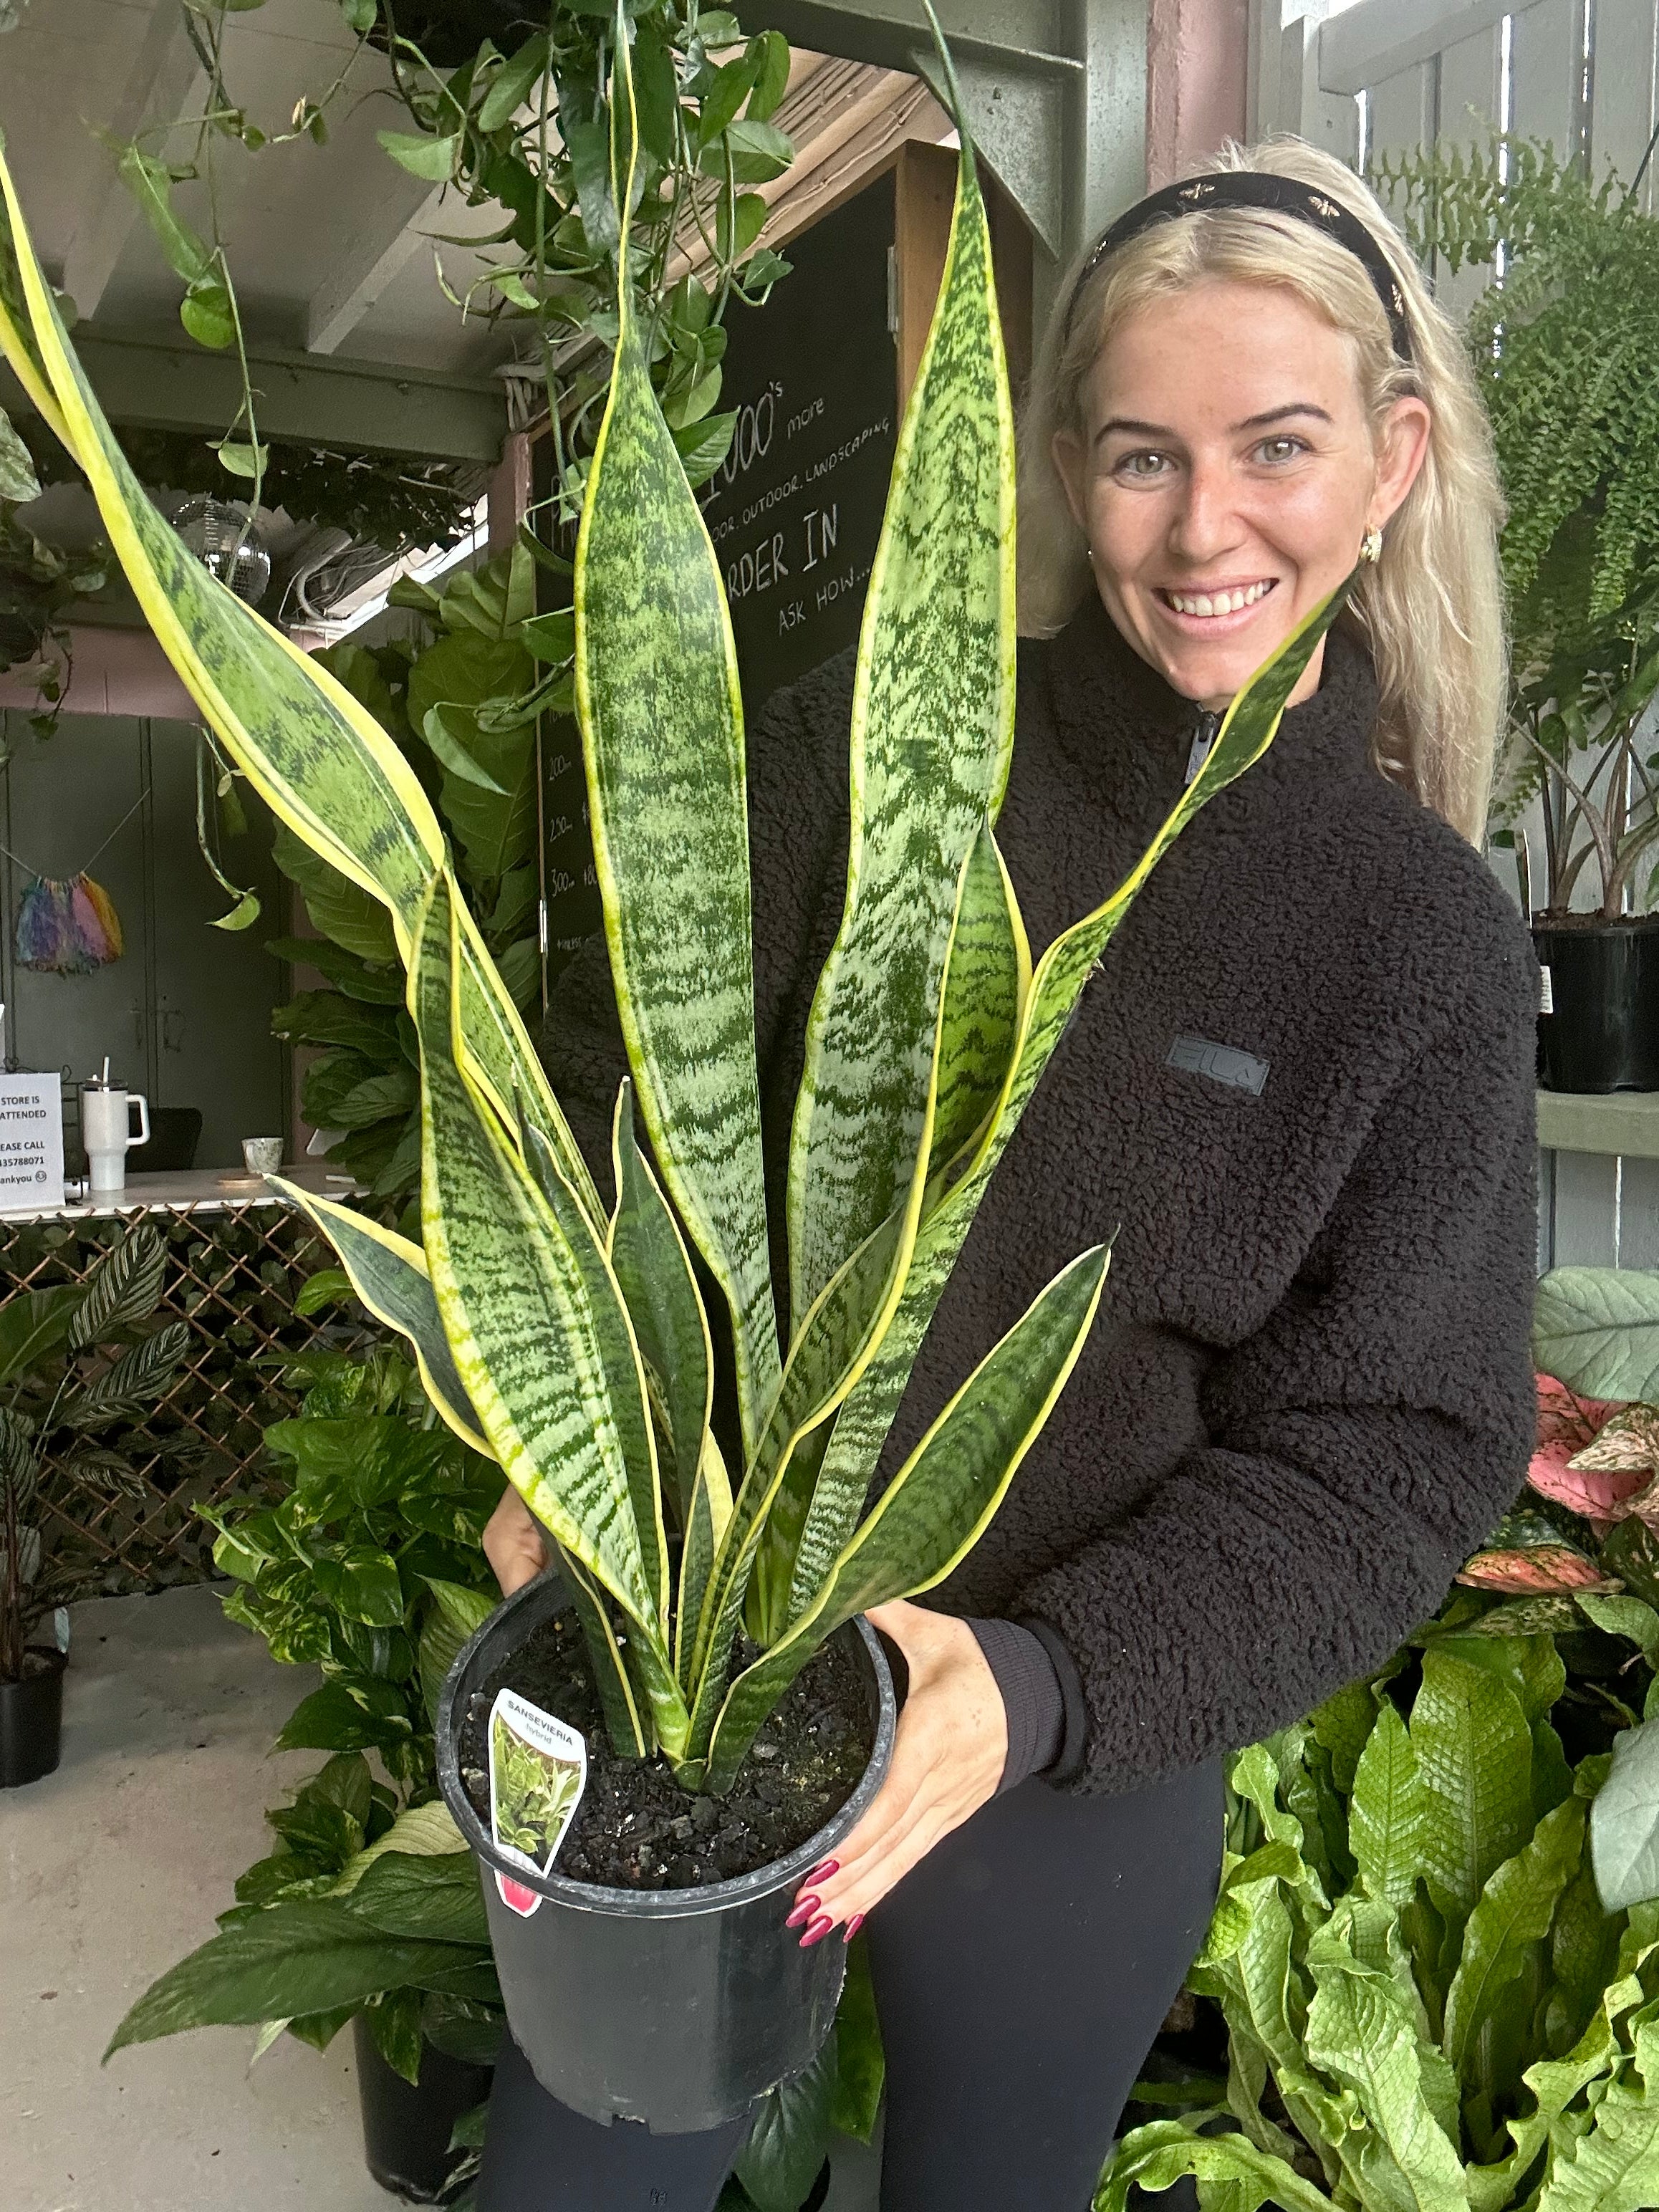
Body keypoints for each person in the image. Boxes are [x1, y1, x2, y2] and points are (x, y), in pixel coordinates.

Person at [476, 139, 1538, 2212]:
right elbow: (610, 1087)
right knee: (578, 2179)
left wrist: (1036, 1687)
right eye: (1139, 456)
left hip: (1066, 1729)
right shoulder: (861, 751)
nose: (1203, 525)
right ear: (1056, 470)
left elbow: (1395, 1445)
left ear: (1392, 461)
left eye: (1278, 447)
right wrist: (563, 1411)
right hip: (700, 1649)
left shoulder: (1415, 936)